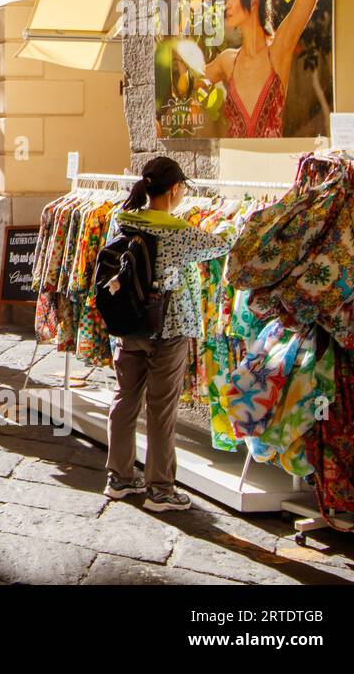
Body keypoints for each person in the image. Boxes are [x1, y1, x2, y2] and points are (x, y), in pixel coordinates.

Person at [102, 157, 230, 512]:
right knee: (161, 409)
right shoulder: (179, 232)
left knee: (125, 399)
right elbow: (222, 244)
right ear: (175, 190)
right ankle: (160, 489)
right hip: (169, 327)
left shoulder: (121, 219)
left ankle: (119, 478)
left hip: (129, 324)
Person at [201, 0, 330, 138]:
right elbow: (188, 81)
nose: (226, 5)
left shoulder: (278, 49)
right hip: (236, 163)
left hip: (272, 164)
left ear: (254, 0)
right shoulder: (227, 61)